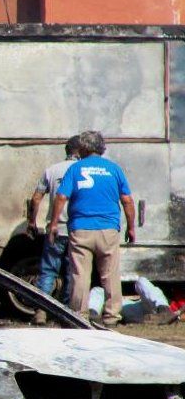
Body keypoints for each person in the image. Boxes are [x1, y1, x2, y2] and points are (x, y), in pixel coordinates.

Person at [47, 130, 135, 326]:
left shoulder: (75, 169)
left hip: (81, 228)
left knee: (80, 275)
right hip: (108, 230)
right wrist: (131, 227)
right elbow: (127, 200)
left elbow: (61, 197)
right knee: (110, 274)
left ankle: (79, 316)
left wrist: (54, 224)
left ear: (84, 148)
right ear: (101, 147)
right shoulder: (114, 169)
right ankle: (111, 317)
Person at [28, 135, 81, 315]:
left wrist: (32, 222)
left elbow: (36, 198)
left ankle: (40, 311)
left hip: (55, 229)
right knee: (71, 273)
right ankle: (66, 313)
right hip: (76, 230)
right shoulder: (82, 170)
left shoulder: (51, 170)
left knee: (48, 271)